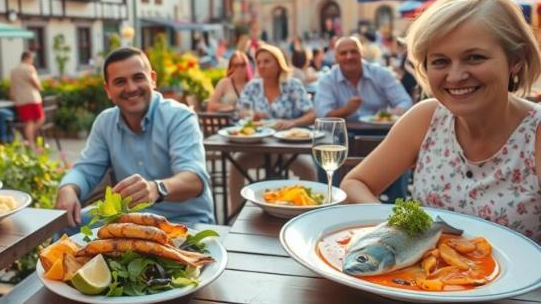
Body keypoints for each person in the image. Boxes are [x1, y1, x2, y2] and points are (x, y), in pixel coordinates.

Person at [341, 0, 541, 242]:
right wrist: (398, 228)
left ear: (515, 60)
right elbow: (355, 183)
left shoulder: (535, 134)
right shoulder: (426, 118)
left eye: (475, 57)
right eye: (440, 61)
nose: (455, 76)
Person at [55, 47, 214, 227]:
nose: (131, 88)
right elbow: (86, 170)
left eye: (138, 78)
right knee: (66, 223)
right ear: (108, 90)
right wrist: (68, 188)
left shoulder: (179, 117)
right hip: (130, 221)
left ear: (152, 79)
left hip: (185, 222)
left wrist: (156, 189)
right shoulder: (105, 122)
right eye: (120, 81)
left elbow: (194, 180)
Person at [228, 43, 317, 212]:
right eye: (258, 62)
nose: (261, 65)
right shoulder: (253, 86)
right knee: (236, 165)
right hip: (259, 147)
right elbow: (240, 112)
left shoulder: (293, 85)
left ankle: (309, 213)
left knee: (308, 169)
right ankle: (234, 214)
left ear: (278, 63)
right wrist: (250, 117)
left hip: (289, 148)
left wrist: (294, 123)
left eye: (266, 61)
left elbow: (312, 114)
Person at [314, 36, 413, 122]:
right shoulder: (327, 80)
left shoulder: (381, 73)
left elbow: (405, 101)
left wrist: (390, 115)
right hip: (343, 133)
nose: (349, 56)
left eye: (354, 51)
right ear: (336, 58)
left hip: (379, 132)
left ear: (362, 54)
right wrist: (347, 110)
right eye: (343, 53)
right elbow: (323, 115)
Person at [10, 51, 44, 146]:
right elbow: (35, 82)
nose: (32, 61)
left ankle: (28, 139)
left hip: (20, 100)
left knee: (29, 122)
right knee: (39, 119)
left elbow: (12, 87)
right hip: (32, 98)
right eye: (32, 59)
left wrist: (13, 97)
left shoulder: (14, 70)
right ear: (27, 58)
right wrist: (40, 87)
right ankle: (29, 140)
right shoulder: (29, 68)